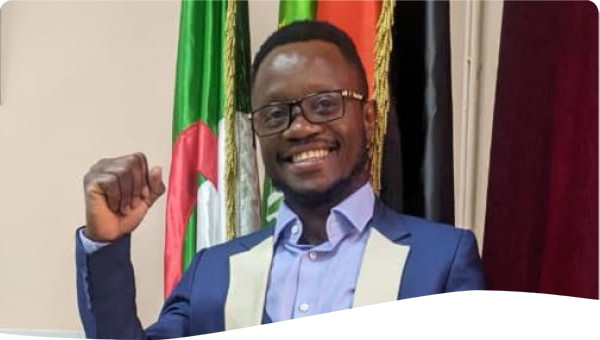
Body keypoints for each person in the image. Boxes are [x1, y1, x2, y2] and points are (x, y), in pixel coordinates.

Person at [76, 21, 485, 339]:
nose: (300, 128)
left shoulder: (442, 261)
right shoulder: (215, 271)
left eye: (324, 105)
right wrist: (106, 243)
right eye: (275, 114)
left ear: (368, 117)